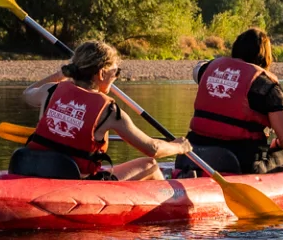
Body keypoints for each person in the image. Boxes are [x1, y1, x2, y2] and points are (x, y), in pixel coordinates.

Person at [20, 41, 190, 180]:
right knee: (150, 165)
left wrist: (60, 75)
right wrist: (179, 147)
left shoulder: (49, 90)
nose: (116, 77)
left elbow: (28, 93)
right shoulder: (109, 111)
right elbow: (153, 148)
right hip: (76, 183)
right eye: (116, 72)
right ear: (101, 74)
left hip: (33, 168)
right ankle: (172, 203)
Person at [185, 28, 283, 175]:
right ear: (265, 56)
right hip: (240, 163)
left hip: (195, 154)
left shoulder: (208, 69)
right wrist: (277, 144)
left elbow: (198, 68)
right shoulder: (265, 86)